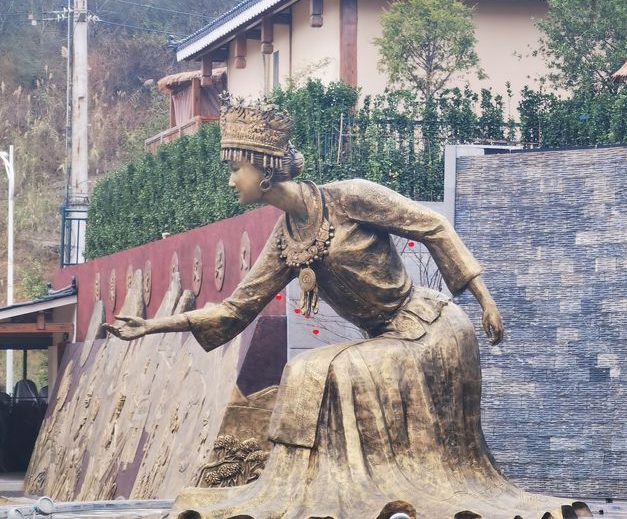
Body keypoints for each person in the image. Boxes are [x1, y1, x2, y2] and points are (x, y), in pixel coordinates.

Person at [105, 101, 591, 519]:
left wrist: (484, 298)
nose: (232, 181)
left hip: (430, 332)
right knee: (305, 370)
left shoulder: (350, 196)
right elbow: (235, 311)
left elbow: (434, 226)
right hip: (384, 341)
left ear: (265, 167)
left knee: (319, 369)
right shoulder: (285, 241)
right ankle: (300, 492)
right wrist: (151, 326)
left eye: (237, 168)